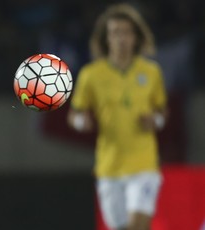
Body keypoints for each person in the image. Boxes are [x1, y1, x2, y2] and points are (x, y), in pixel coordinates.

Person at [67, 3, 168, 230]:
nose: (121, 39)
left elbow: (162, 110)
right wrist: (82, 122)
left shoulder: (151, 72)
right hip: (109, 166)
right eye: (115, 33)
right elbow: (75, 114)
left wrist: (156, 120)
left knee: (137, 224)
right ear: (106, 38)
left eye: (126, 32)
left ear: (136, 37)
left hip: (144, 164)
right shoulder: (91, 75)